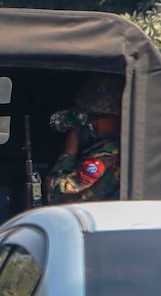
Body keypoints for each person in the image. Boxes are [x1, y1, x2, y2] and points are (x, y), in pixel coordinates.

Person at [46, 75, 123, 204]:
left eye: (89, 116)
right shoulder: (112, 148)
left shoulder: (108, 155)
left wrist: (69, 153)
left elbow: (56, 195)